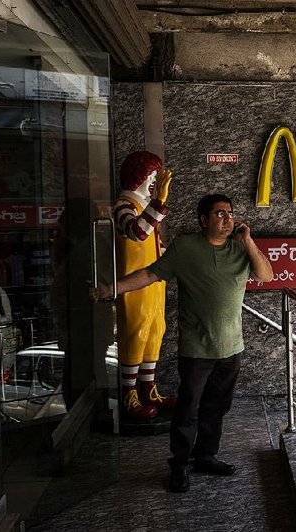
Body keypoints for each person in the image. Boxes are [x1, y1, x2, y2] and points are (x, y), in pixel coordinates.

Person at [92, 194, 273, 493]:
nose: (227, 219)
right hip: (197, 349)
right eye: (219, 214)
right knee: (188, 409)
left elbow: (266, 275)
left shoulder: (240, 249)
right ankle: (179, 464)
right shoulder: (186, 248)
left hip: (231, 348)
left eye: (230, 213)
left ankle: (205, 456)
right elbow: (149, 274)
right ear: (203, 220)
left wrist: (248, 240)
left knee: (217, 407)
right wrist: (111, 289)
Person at [113, 151, 175, 420]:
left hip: (154, 282)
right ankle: (129, 393)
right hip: (133, 283)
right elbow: (137, 233)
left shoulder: (145, 205)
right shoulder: (124, 205)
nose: (154, 182)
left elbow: (152, 241)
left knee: (154, 331)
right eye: (151, 176)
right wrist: (159, 202)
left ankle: (149, 388)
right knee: (134, 334)